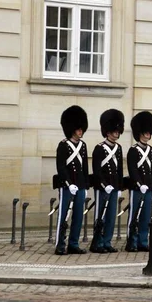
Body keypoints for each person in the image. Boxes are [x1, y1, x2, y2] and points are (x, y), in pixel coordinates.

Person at [54, 105, 90, 255]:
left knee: (78, 216)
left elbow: (84, 167)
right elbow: (60, 167)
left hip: (80, 185)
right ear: (71, 128)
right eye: (78, 129)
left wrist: (85, 185)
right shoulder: (63, 145)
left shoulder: (82, 146)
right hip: (67, 186)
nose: (80, 131)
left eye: (82, 128)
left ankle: (73, 243)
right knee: (64, 215)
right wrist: (69, 183)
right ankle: (60, 244)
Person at [90, 109, 124, 253]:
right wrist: (104, 185)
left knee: (111, 217)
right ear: (107, 131)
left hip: (114, 187)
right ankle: (97, 242)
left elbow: (119, 169)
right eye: (114, 131)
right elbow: (97, 171)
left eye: (118, 131)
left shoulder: (118, 148)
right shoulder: (99, 148)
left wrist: (119, 186)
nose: (116, 133)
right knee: (101, 217)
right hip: (103, 188)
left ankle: (107, 241)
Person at [125, 111, 152, 252]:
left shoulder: (150, 150)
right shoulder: (133, 150)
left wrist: (151, 186)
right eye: (145, 132)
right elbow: (132, 170)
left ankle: (143, 241)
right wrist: (139, 184)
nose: (148, 134)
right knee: (134, 216)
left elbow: (151, 170)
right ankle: (132, 241)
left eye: (149, 132)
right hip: (137, 188)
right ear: (140, 133)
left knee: (146, 216)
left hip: (148, 188)